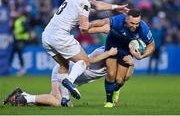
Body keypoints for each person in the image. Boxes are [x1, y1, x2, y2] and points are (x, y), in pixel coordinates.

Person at [41, 0, 129, 100]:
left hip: (47, 36)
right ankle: (70, 81)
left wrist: (116, 7)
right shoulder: (84, 3)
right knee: (85, 62)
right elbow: (83, 29)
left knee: (64, 66)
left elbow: (97, 5)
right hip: (60, 36)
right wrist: (102, 29)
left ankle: (64, 99)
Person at [3, 46, 134, 107]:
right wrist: (108, 53)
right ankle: (24, 98)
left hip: (72, 78)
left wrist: (132, 65)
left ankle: (22, 95)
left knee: (52, 101)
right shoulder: (105, 51)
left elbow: (124, 78)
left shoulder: (119, 61)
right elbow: (88, 61)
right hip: (65, 71)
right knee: (59, 102)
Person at [87, 9, 155, 107]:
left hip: (126, 50)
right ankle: (109, 101)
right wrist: (88, 24)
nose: (135, 26)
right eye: (132, 23)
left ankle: (116, 90)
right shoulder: (119, 20)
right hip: (112, 45)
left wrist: (141, 56)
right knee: (111, 74)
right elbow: (103, 22)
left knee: (119, 80)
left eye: (137, 23)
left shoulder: (144, 29)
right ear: (126, 19)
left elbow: (152, 46)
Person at [9, 11, 30, 76]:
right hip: (17, 40)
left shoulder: (21, 20)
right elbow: (13, 30)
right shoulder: (16, 21)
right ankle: (8, 69)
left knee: (19, 54)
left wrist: (18, 33)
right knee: (14, 54)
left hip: (21, 40)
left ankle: (22, 70)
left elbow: (26, 29)